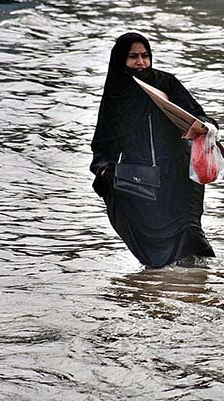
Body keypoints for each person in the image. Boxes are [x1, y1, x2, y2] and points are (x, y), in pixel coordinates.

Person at [90, 32, 217, 268]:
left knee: (191, 235)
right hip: (143, 181)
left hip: (180, 174)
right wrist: (105, 170)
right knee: (155, 251)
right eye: (133, 57)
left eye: (145, 56)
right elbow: (103, 144)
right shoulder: (116, 95)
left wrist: (203, 127)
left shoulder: (165, 83)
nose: (141, 62)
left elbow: (199, 115)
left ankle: (205, 282)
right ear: (120, 61)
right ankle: (160, 286)